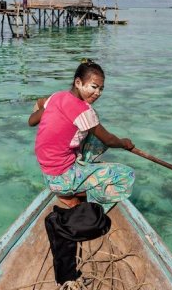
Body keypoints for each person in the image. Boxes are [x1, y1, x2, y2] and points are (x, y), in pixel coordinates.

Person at [28, 59, 135, 212]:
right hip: (62, 179)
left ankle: (73, 181)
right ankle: (80, 197)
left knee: (93, 136)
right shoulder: (84, 111)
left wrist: (43, 105)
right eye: (94, 87)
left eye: (101, 89)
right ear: (78, 82)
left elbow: (31, 121)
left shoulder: (56, 97)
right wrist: (125, 143)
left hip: (47, 174)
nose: (98, 93)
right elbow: (110, 140)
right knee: (127, 175)